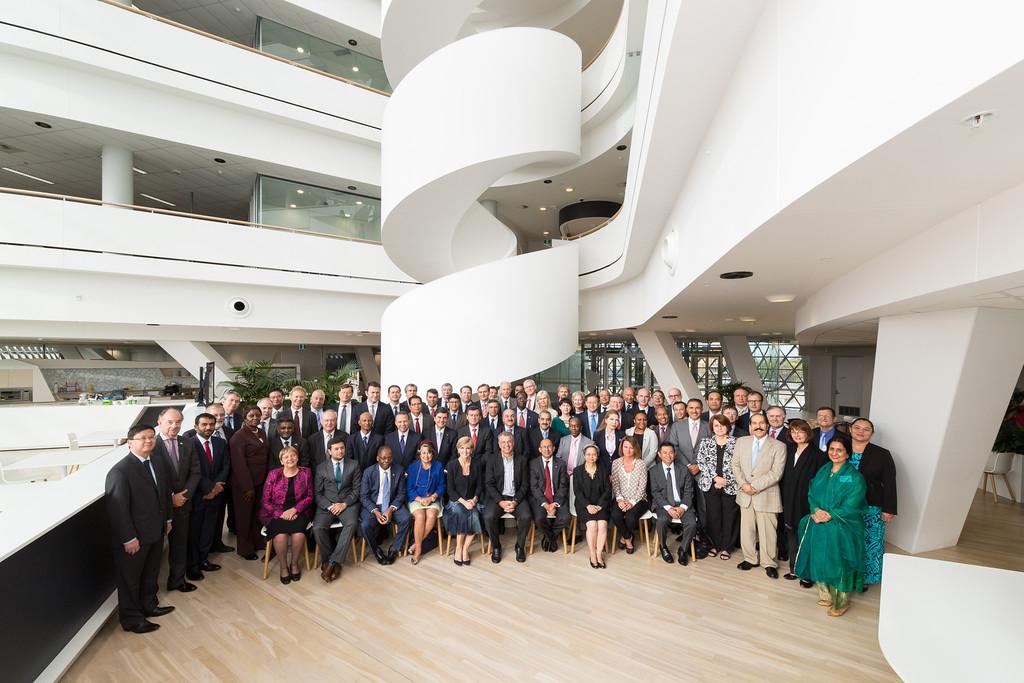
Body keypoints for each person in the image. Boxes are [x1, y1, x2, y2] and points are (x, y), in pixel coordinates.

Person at [105, 425, 174, 633]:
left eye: (151, 437)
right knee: (130, 580)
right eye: (142, 438)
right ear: (129, 443)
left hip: (156, 530)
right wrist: (128, 538)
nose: (148, 441)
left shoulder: (157, 462)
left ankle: (149, 606)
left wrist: (168, 519)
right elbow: (117, 508)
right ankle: (132, 619)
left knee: (150, 573)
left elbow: (164, 494)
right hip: (135, 537)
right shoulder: (120, 471)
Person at [794, 437, 868, 617]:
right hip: (818, 522)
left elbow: (853, 502)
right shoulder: (823, 470)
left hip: (841, 525)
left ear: (847, 453)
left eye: (839, 450)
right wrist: (816, 510)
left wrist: (830, 515)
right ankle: (826, 595)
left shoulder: (854, 476)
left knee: (838, 562)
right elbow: (812, 493)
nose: (834, 453)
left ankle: (841, 601)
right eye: (831, 449)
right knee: (819, 558)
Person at [731, 414, 787, 579]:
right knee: (747, 530)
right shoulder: (741, 442)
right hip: (745, 494)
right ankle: (749, 558)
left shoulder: (779, 446)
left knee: (768, 531)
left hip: (766, 495)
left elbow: (776, 473)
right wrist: (743, 485)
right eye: (754, 423)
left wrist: (754, 486)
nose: (758, 426)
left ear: (767, 424)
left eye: (761, 423)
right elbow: (735, 465)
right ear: (750, 425)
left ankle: (769, 563)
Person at [152, 407, 200, 593]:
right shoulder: (151, 445)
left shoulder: (187, 443)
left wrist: (184, 496)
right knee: (155, 552)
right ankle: (151, 592)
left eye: (178, 422)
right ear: (160, 423)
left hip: (183, 504)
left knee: (180, 544)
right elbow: (154, 478)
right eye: (170, 422)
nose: (174, 425)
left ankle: (177, 580)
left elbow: (195, 471)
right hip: (161, 506)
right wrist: (170, 497)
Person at [848, 417, 897, 587]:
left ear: (872, 433)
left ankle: (866, 579)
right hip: (844, 506)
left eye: (866, 429)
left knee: (871, 543)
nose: (861, 431)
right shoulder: (838, 448)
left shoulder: (882, 454)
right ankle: (847, 576)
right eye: (857, 428)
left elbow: (890, 483)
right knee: (847, 542)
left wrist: (889, 509)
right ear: (850, 429)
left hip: (872, 506)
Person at [780, 419, 827, 584]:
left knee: (806, 538)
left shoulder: (819, 456)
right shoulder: (789, 450)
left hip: (806, 503)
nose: (797, 435)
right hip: (789, 501)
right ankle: (794, 569)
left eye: (800, 431)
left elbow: (821, 485)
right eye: (793, 432)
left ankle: (806, 574)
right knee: (791, 536)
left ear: (808, 433)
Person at [260, 447, 313, 584]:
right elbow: (265, 500)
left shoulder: (306, 473)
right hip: (275, 512)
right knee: (280, 536)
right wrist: (280, 513)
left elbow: (309, 496)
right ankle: (283, 567)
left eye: (293, 455)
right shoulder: (273, 474)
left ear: (297, 457)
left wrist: (295, 509)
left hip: (299, 511)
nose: (290, 459)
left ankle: (294, 564)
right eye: (286, 457)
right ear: (281, 461)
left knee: (299, 534)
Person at [186, 412, 229, 581]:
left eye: (211, 424)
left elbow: (226, 466)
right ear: (196, 426)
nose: (208, 427)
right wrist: (209, 488)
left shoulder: (221, 443)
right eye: (204, 424)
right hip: (198, 496)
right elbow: (192, 470)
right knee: (194, 533)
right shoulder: (189, 444)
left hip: (216, 495)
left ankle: (203, 560)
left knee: (208, 531)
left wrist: (217, 486)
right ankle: (192, 566)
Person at [313, 437, 361, 581]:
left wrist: (344, 504)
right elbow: (318, 493)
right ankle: (329, 561)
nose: (340, 451)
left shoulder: (354, 465)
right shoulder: (321, 467)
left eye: (342, 448)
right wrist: (329, 505)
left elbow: (356, 490)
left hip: (347, 504)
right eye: (336, 449)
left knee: (352, 524)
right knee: (318, 528)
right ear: (329, 451)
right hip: (327, 505)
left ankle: (333, 562)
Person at [695, 415, 739, 560]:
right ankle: (714, 545)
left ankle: (727, 547)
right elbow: (701, 462)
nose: (719, 428)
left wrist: (726, 480)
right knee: (713, 517)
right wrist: (715, 478)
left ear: (728, 426)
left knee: (729, 517)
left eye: (722, 425)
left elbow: (740, 465)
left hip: (730, 485)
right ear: (712, 428)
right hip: (711, 485)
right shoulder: (706, 442)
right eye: (716, 426)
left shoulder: (737, 443)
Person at [484, 431, 532, 563]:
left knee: (526, 516)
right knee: (488, 516)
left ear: (514, 443)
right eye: (503, 442)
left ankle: (520, 546)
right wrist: (500, 501)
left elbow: (525, 484)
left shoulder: (522, 460)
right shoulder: (492, 459)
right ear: (499, 444)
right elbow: (489, 484)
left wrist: (516, 501)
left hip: (516, 497)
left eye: (509, 441)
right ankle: (496, 546)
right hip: (498, 498)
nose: (507, 445)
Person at [229, 406, 270, 560]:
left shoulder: (261, 432)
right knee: (244, 517)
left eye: (257, 415)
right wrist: (247, 487)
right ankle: (245, 549)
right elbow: (238, 464)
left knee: (256, 515)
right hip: (244, 485)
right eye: (251, 416)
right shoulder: (238, 437)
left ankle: (258, 542)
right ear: (245, 418)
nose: (255, 418)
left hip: (260, 482)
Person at [359, 445, 411, 565]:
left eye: (388, 458)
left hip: (392, 504)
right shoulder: (369, 472)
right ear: (378, 458)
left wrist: (390, 509)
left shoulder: (399, 470)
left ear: (392, 458)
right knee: (365, 525)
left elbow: (401, 493)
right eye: (383, 458)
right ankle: (376, 550)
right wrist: (376, 511)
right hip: (373, 505)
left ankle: (394, 549)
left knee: (406, 518)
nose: (386, 461)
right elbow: (364, 496)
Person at [650, 442, 697, 565]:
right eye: (664, 453)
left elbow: (688, 491)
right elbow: (655, 493)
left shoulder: (683, 469)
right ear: (659, 454)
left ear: (675, 454)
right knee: (661, 521)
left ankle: (683, 549)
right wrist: (668, 508)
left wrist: (682, 508)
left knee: (692, 523)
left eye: (671, 452)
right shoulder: (654, 471)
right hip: (664, 505)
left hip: (682, 504)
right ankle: (663, 547)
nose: (668, 455)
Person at [446, 437, 485, 566]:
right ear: (458, 449)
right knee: (462, 514)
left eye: (468, 448)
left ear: (472, 450)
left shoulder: (477, 464)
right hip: (457, 501)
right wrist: (464, 502)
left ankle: (464, 549)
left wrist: (474, 500)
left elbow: (480, 485)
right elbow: (450, 490)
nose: (465, 451)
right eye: (462, 448)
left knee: (474, 515)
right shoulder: (452, 465)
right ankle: (458, 548)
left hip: (472, 501)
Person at [406, 441, 446, 564]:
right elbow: (409, 488)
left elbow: (442, 485)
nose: (426, 456)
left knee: (432, 514)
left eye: (429, 453)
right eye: (423, 453)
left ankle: (416, 546)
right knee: (420, 515)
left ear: (432, 454)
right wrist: (420, 499)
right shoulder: (413, 467)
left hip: (432, 499)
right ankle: (419, 549)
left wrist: (432, 498)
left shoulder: (438, 466)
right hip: (417, 499)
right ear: (420, 454)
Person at [573, 444, 611, 569]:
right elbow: (577, 492)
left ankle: (599, 554)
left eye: (594, 454)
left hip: (601, 503)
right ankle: (592, 554)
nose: (591, 457)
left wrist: (600, 506)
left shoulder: (604, 469)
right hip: (584, 504)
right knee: (592, 525)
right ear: (584, 456)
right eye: (588, 454)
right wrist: (588, 506)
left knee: (602, 525)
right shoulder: (577, 471)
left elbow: (607, 490)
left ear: (597, 456)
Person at [529, 438, 570, 552]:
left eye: (549, 446)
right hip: (540, 499)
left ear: (554, 448)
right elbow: (534, 487)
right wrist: (546, 505)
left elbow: (563, 486)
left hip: (557, 498)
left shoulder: (561, 463)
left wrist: (554, 504)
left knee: (565, 518)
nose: (547, 449)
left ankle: (548, 537)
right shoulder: (533, 464)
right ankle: (552, 539)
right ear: (540, 449)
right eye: (544, 447)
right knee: (539, 518)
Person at [610, 436, 648, 555]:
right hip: (620, 498)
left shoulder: (641, 464)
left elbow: (642, 487)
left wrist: (631, 502)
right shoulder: (616, 463)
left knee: (631, 518)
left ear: (635, 449)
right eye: (625, 447)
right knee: (615, 515)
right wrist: (620, 500)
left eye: (631, 448)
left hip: (639, 499)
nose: (628, 450)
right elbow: (615, 484)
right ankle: (628, 538)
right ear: (622, 448)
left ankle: (623, 538)